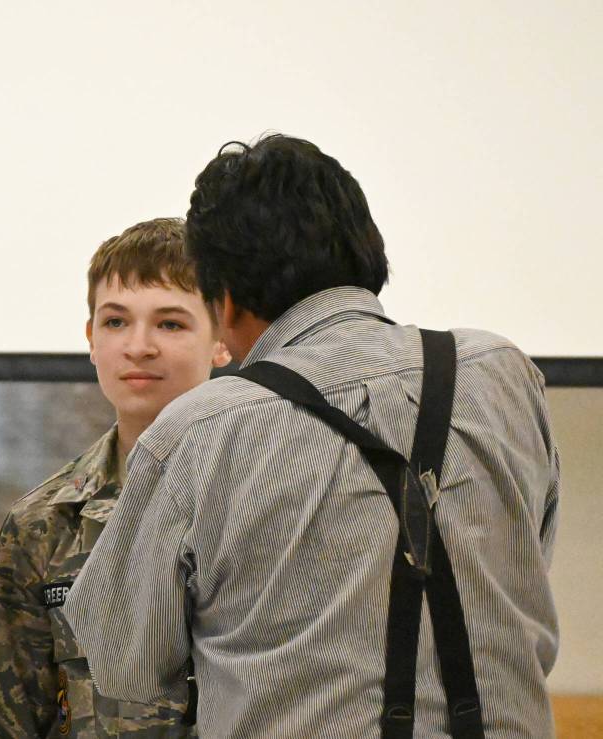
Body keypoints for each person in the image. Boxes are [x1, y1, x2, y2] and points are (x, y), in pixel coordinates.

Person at [63, 135, 560, 738]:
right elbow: (525, 565)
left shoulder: (197, 428)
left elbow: (125, 667)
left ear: (223, 301)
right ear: (367, 255)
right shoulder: (499, 372)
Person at [0, 218, 230, 737]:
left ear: (222, 339)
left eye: (171, 324)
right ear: (91, 339)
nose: (138, 346)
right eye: (116, 322)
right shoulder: (44, 524)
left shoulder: (266, 499)